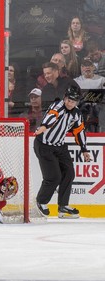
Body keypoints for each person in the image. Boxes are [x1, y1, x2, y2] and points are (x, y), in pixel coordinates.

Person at [34, 85, 91, 219]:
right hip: (44, 145)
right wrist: (43, 127)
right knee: (53, 177)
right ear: (65, 98)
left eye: (74, 101)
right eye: (69, 100)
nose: (70, 103)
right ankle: (41, 202)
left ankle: (63, 206)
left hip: (60, 146)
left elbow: (79, 130)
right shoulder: (57, 107)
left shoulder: (76, 113)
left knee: (69, 173)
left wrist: (84, 149)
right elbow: (50, 117)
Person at [74, 59, 105, 132]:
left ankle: (102, 134)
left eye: (89, 65)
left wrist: (85, 95)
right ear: (81, 68)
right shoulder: (76, 81)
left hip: (98, 106)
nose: (87, 67)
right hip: (81, 106)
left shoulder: (102, 80)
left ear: (93, 67)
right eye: (84, 66)